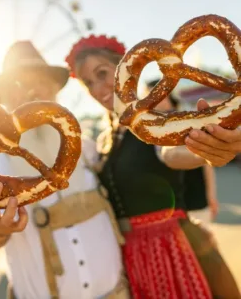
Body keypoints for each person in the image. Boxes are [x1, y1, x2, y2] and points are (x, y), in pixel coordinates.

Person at [65, 34, 241, 299]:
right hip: (129, 255)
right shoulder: (105, 140)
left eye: (102, 73)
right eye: (88, 83)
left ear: (126, 69)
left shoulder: (154, 119)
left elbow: (171, 153)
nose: (97, 88)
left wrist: (206, 150)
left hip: (170, 247)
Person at [0, 41, 130, 299]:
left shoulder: (87, 149)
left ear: (56, 90)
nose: (30, 90)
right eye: (16, 83)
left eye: (39, 80)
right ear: (4, 101)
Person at [146, 79, 219, 223]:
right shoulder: (150, 128)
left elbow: (206, 165)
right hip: (170, 205)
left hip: (196, 197)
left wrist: (211, 195)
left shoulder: (188, 119)